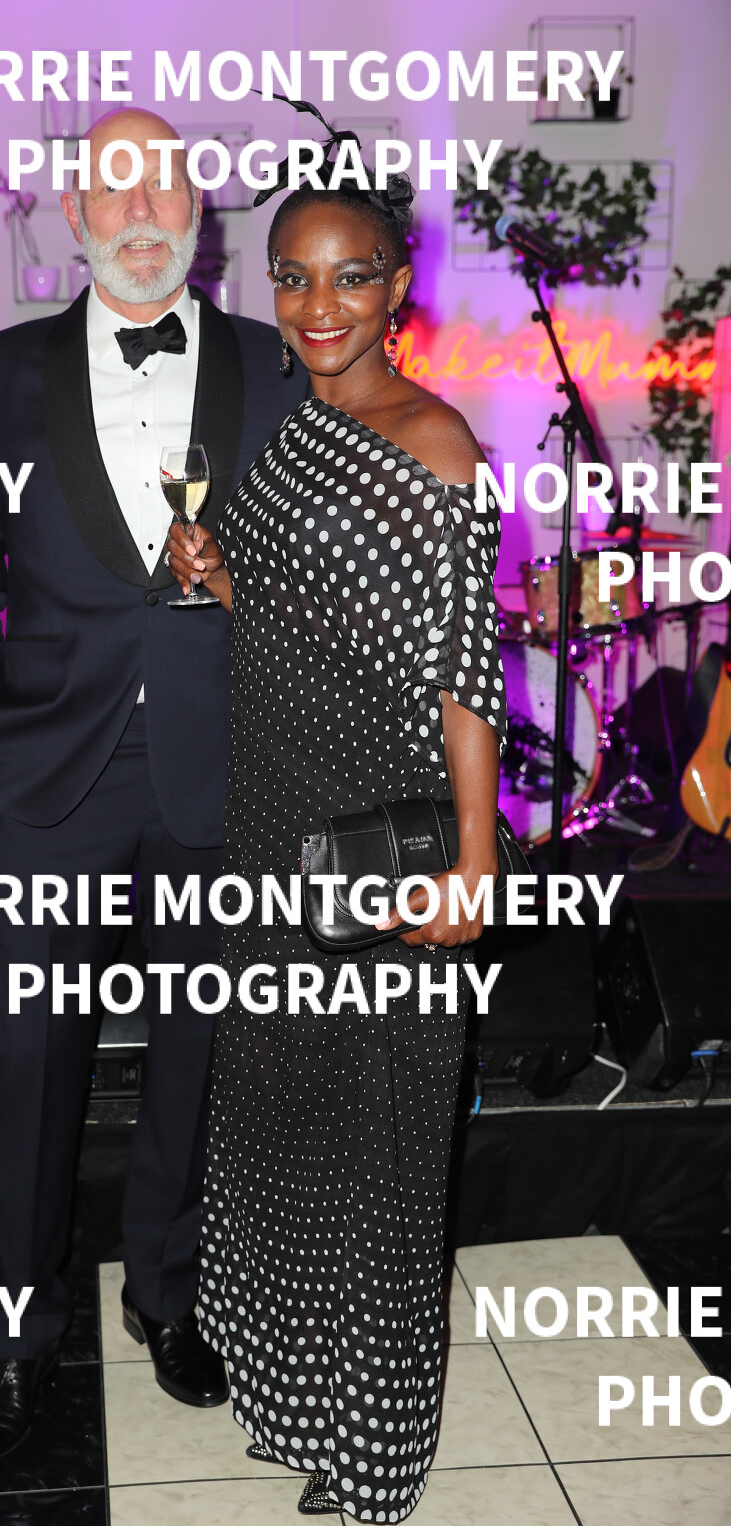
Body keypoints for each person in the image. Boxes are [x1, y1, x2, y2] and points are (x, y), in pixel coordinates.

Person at [0, 108, 304, 1470]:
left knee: (199, 1051)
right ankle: (19, 1336)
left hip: (222, 767)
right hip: (50, 774)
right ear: (75, 214)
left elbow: (308, 573)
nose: (141, 212)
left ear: (200, 212)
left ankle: (167, 1294)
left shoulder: (274, 364)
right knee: (36, 1063)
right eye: (114, 188)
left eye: (164, 186)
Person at [167, 166, 506, 1519]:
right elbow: (294, 612)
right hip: (271, 824)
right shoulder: (297, 429)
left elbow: (465, 673)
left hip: (379, 833)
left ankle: (373, 1451)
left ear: (395, 287)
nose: (320, 305)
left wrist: (475, 854)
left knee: (377, 1146)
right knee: (279, 1119)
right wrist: (218, 577)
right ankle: (297, 1394)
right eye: (296, 278)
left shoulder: (437, 445)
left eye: (350, 277)